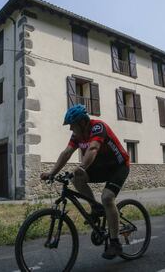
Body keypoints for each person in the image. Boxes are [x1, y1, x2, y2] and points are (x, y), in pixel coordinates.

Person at [40, 104, 130, 259]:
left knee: (107, 198)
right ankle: (96, 208)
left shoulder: (98, 127)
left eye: (72, 125)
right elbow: (67, 152)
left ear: (82, 123)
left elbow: (93, 149)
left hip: (118, 166)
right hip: (101, 167)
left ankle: (115, 243)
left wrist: (82, 166)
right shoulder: (78, 135)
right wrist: (51, 173)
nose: (70, 129)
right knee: (76, 178)